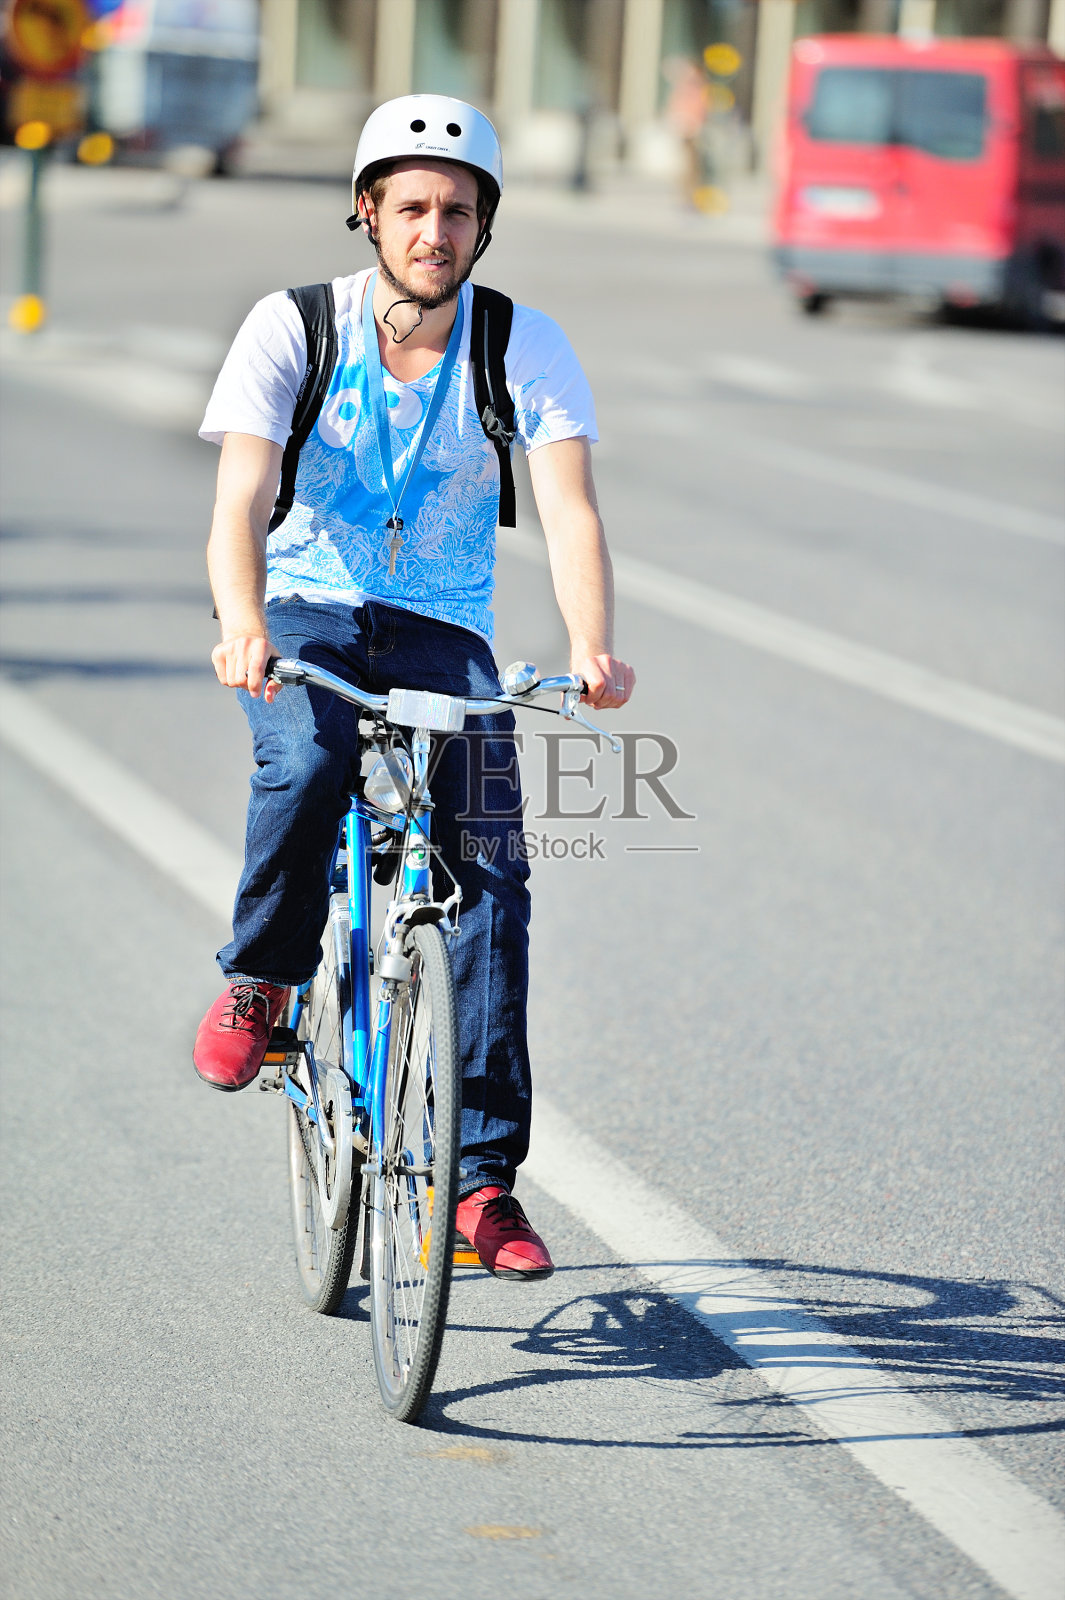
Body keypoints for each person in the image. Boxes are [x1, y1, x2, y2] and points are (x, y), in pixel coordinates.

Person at [192, 94, 634, 1281]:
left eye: (458, 210)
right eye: (414, 207)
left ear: (484, 226)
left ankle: (481, 1179)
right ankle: (267, 982)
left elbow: (568, 507)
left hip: (443, 629)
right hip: (306, 606)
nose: (435, 229)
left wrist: (593, 646)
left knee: (491, 861)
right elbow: (240, 498)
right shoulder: (293, 327)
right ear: (367, 212)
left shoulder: (517, 344)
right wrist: (243, 623)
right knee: (308, 754)